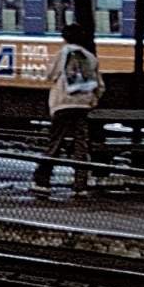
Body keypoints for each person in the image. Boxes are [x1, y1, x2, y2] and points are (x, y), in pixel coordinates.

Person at [33, 22, 102, 193]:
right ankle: (80, 184)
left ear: (64, 37)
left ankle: (43, 180)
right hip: (83, 106)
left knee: (55, 142)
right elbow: (100, 85)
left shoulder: (62, 55)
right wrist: (92, 100)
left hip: (63, 104)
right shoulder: (90, 57)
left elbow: (49, 75)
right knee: (81, 145)